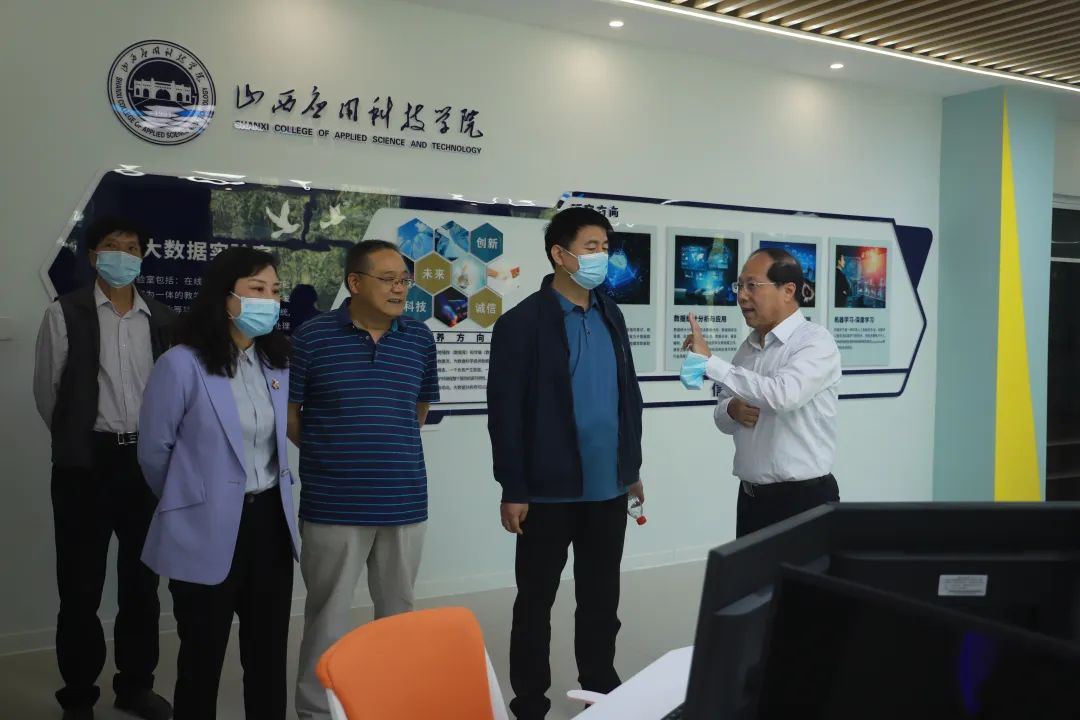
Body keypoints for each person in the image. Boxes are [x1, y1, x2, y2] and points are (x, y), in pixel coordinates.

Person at [486, 207, 645, 720]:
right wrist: (513, 486)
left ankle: (599, 686)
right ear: (560, 253)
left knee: (601, 600)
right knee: (535, 604)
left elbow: (628, 396)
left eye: (606, 248)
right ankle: (530, 702)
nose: (602, 257)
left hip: (608, 488)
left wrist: (631, 467)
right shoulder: (521, 323)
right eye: (592, 247)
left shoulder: (611, 314)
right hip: (547, 492)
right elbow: (505, 414)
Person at [137, 247, 300, 720]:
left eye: (275, 291)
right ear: (225, 297)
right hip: (204, 524)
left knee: (268, 656)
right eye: (256, 289)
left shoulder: (277, 364)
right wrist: (191, 499)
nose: (269, 300)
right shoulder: (181, 364)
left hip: (269, 524)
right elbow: (154, 452)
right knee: (201, 658)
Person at [290, 240, 440, 720]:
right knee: (328, 618)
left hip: (404, 501)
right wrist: (335, 456)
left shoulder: (419, 338)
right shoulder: (312, 337)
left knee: (398, 616)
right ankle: (317, 712)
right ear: (354, 283)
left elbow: (418, 410)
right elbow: (291, 416)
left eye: (405, 280)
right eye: (388, 279)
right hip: (333, 504)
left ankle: (392, 705)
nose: (400, 289)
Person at [33, 216, 175, 720]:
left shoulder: (161, 318)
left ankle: (135, 686)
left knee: (142, 585)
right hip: (86, 464)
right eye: (112, 246)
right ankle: (78, 695)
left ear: (143, 257)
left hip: (145, 465)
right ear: (93, 256)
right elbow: (49, 394)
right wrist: (79, 438)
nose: (123, 254)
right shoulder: (64, 312)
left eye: (132, 247)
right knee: (79, 587)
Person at [681, 248, 841, 538]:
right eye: (739, 286)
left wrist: (710, 362)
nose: (742, 296)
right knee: (749, 571)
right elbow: (722, 418)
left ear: (788, 291)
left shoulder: (815, 342)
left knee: (803, 571)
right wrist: (731, 410)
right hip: (752, 500)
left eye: (752, 285)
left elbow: (784, 396)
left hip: (803, 501)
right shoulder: (748, 348)